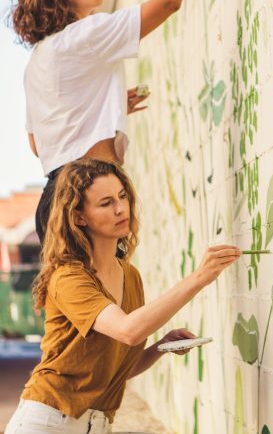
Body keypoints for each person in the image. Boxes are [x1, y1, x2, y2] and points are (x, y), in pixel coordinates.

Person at [5, 158, 241, 433]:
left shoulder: (131, 276)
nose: (120, 209)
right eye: (106, 203)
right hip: (48, 421)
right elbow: (129, 331)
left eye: (122, 197)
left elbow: (115, 370)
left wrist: (160, 347)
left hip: (97, 425)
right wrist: (199, 278)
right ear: (78, 216)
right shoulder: (69, 278)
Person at [9, 0, 201, 244]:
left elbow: (37, 143)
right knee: (108, 295)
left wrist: (102, 105)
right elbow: (168, 2)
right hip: (89, 192)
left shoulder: (38, 60)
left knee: (80, 295)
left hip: (54, 201)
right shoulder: (86, 34)